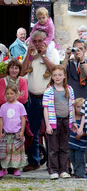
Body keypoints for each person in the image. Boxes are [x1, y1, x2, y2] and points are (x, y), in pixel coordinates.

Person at [20, 30, 59, 171]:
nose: (37, 44)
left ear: (45, 41)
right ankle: (34, 161)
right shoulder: (30, 53)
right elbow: (22, 72)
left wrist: (43, 56)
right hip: (32, 97)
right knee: (32, 131)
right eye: (34, 41)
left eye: (39, 41)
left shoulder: (52, 51)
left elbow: (56, 71)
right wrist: (28, 57)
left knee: (51, 131)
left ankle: (52, 163)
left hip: (48, 98)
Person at [43, 65, 75, 180]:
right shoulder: (49, 91)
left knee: (64, 147)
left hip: (66, 121)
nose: (57, 77)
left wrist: (74, 122)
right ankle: (53, 170)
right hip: (54, 122)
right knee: (53, 148)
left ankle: (64, 170)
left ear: (64, 76)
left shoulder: (69, 89)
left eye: (60, 75)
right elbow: (45, 108)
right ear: (52, 76)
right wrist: (47, 125)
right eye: (55, 75)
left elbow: (71, 106)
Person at [0, 84, 27, 178]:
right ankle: (3, 169)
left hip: (16, 133)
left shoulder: (20, 106)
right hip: (7, 133)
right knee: (5, 151)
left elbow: (23, 119)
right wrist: (1, 132)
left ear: (16, 94)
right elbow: (1, 119)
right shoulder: (3, 107)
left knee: (16, 151)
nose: (10, 95)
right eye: (8, 93)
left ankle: (16, 168)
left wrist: (22, 131)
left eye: (12, 93)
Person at [27, 7, 56, 78]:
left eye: (43, 18)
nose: (42, 20)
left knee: (48, 50)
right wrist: (31, 42)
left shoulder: (50, 25)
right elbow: (32, 33)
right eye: (39, 18)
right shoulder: (37, 24)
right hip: (38, 40)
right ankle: (30, 65)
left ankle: (47, 69)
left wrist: (45, 43)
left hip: (48, 40)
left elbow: (51, 35)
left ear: (47, 16)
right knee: (30, 49)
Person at [69, 98, 87, 178]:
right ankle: (76, 172)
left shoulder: (84, 120)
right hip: (72, 143)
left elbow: (85, 131)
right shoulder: (73, 120)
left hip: (80, 144)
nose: (79, 109)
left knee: (80, 159)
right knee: (72, 158)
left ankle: (80, 173)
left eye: (81, 107)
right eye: (78, 107)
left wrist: (81, 134)